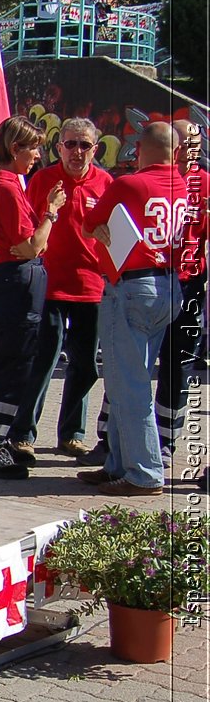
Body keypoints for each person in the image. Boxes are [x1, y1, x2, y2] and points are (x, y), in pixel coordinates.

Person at [80, 121, 187, 496]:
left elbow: (90, 221)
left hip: (131, 286)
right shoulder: (184, 185)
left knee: (129, 385)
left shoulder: (128, 184)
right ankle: (120, 464)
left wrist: (99, 228)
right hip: (168, 284)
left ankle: (144, 472)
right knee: (131, 379)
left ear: (140, 149)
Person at [8, 118, 110, 459]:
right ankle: (23, 433)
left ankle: (71, 434)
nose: (77, 152)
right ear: (58, 147)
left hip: (91, 287)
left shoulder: (106, 184)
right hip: (49, 285)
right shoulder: (43, 180)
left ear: (95, 149)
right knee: (42, 361)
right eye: (70, 144)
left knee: (84, 366)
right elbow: (26, 227)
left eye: (84, 145)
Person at [0, 115, 62, 481]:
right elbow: (28, 247)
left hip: (11, 283)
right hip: (12, 284)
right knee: (10, 365)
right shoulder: (4, 187)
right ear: (14, 148)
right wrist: (50, 213)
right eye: (33, 147)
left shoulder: (6, 184)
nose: (38, 155)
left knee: (14, 364)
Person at [156, 119, 206, 461]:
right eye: (186, 142)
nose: (193, 149)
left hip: (191, 283)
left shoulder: (205, 182)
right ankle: (113, 436)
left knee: (180, 362)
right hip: (154, 282)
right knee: (138, 363)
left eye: (198, 143)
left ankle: (167, 437)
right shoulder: (157, 179)